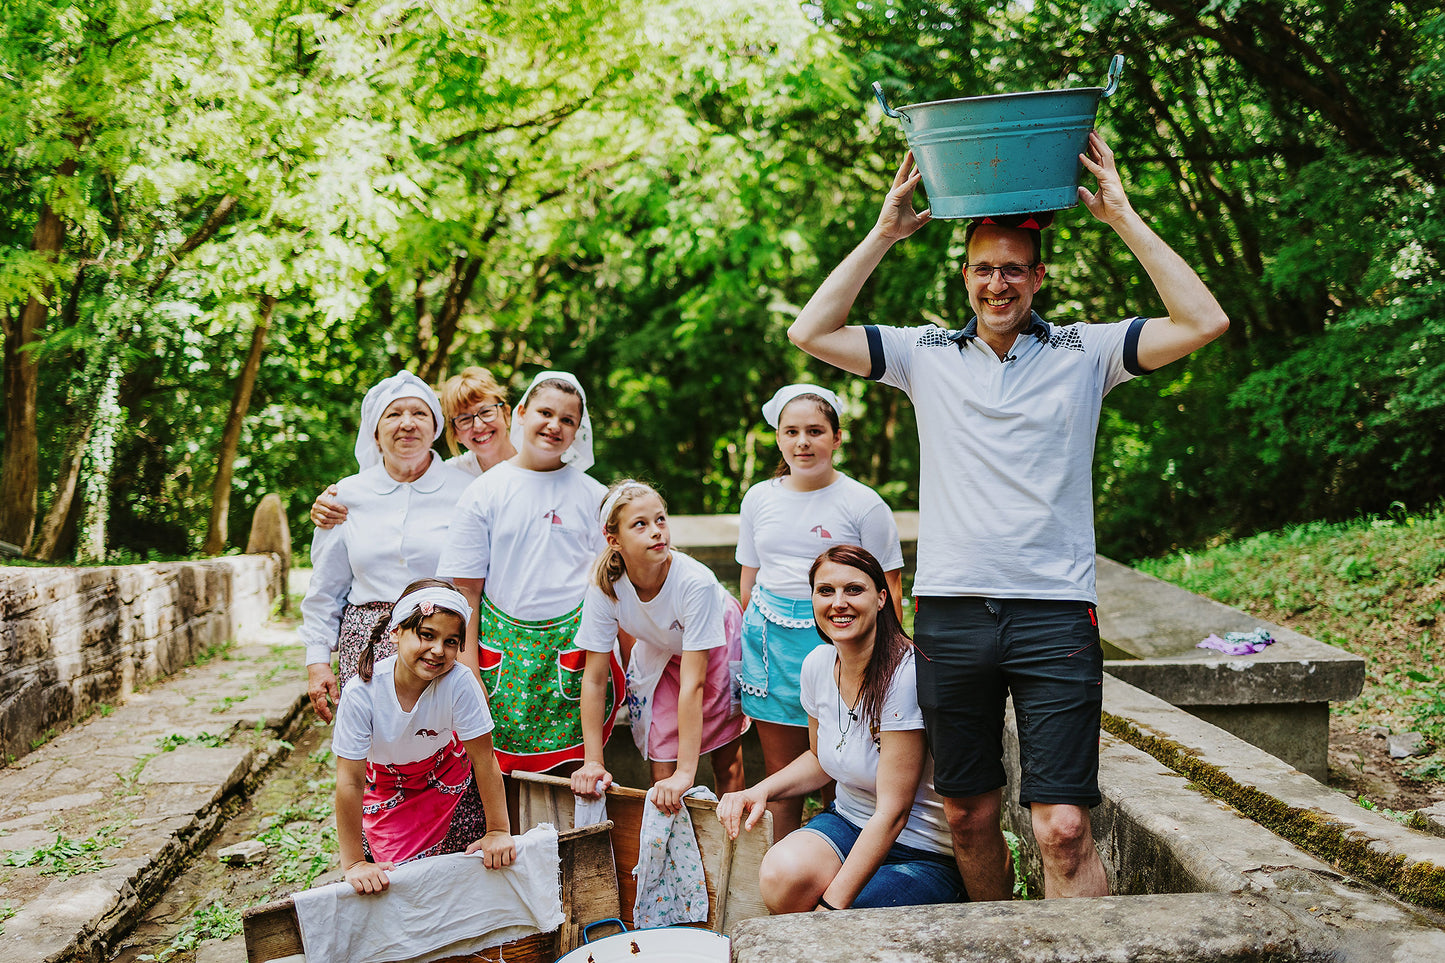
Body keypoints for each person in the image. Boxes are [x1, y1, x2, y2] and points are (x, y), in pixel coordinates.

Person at [786, 133, 1230, 900]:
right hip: (954, 612)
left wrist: (1122, 215)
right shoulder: (922, 352)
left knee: (1061, 826)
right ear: (964, 275)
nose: (998, 284)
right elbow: (811, 331)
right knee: (965, 814)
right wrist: (883, 232)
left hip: (1053, 611)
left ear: (1037, 275)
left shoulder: (1084, 350)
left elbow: (1202, 321)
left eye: (1012, 269)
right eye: (983, 268)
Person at [717, 545, 963, 911]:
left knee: (856, 912)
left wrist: (830, 912)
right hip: (848, 822)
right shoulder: (818, 664)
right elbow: (819, 757)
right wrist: (759, 791)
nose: (838, 603)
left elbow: (893, 813)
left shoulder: (904, 672)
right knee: (780, 875)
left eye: (853, 590)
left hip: (921, 846)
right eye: (825, 591)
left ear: (881, 598)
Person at [735, 383, 905, 837]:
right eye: (791, 431)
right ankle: (783, 877)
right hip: (770, 645)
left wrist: (886, 663)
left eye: (815, 430)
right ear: (778, 437)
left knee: (841, 769)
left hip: (842, 643)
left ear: (836, 438)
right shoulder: (759, 497)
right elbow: (749, 579)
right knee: (781, 776)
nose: (802, 442)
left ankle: (840, 866)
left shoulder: (863, 503)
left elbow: (889, 588)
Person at [436, 371, 623, 776]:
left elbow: (608, 586)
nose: (554, 425)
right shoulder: (484, 492)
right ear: (520, 413)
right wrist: (468, 670)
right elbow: (466, 592)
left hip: (574, 657)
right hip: (500, 658)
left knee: (573, 777)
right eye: (544, 412)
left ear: (578, 431)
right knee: (498, 778)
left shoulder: (593, 496)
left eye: (567, 420)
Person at [300, 371, 473, 722]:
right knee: (370, 759)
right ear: (375, 432)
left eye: (419, 413)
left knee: (440, 755)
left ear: (436, 427)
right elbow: (325, 588)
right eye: (393, 414)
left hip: (441, 646)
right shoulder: (346, 495)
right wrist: (317, 661)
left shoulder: (468, 490)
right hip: (367, 646)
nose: (407, 424)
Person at [570, 480, 749, 813]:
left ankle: (734, 844)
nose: (657, 531)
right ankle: (667, 844)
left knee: (726, 757)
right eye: (641, 524)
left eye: (661, 519)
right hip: (661, 645)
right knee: (660, 740)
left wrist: (687, 772)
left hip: (717, 643)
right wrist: (593, 761)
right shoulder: (605, 587)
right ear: (614, 540)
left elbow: (694, 684)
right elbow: (594, 678)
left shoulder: (695, 583)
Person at [331, 579, 514, 894]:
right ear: (397, 632)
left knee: (461, 877)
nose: (438, 650)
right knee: (398, 885)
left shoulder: (460, 682)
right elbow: (350, 782)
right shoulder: (361, 694)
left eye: (452, 641)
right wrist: (355, 863)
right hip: (386, 787)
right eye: (427, 635)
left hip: (447, 777)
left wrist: (498, 830)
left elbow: (484, 759)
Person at [309, 366, 517, 528]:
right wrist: (327, 505)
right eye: (464, 419)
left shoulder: (542, 460)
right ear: (455, 434)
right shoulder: (457, 475)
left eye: (486, 412)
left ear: (507, 414)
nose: (478, 425)